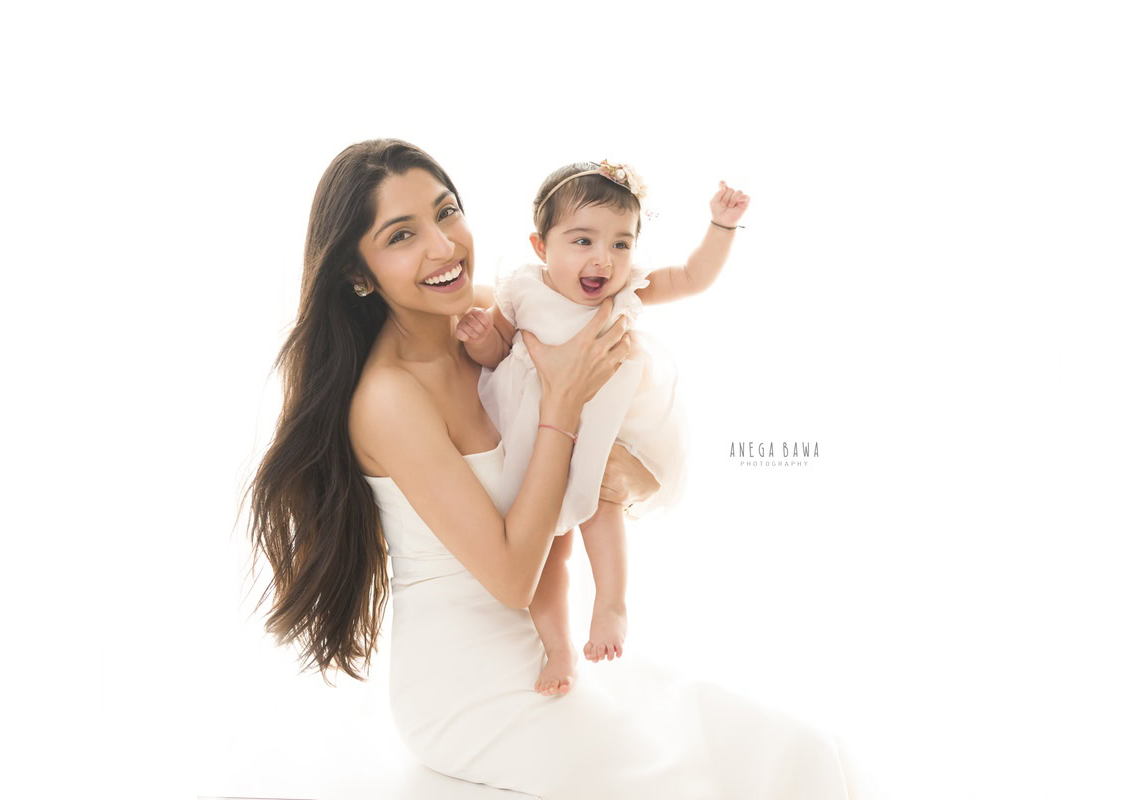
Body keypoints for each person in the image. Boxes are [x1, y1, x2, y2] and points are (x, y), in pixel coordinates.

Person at [247, 138, 865, 799]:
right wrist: (563, 404)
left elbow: (624, 459)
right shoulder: (389, 399)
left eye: (446, 212)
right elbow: (515, 578)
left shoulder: (505, 313)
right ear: (358, 272)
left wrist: (622, 471)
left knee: (796, 750)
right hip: (468, 688)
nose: (443, 246)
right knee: (693, 780)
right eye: (402, 235)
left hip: (552, 648)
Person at [455, 158, 747, 695]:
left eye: (621, 243)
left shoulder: (625, 291)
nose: (603, 259)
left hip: (601, 433)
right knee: (545, 549)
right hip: (534, 437)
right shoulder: (520, 290)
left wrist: (721, 226)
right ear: (541, 246)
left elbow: (692, 277)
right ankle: (558, 648)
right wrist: (479, 339)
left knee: (602, 504)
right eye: (582, 241)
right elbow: (496, 352)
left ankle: (611, 603)